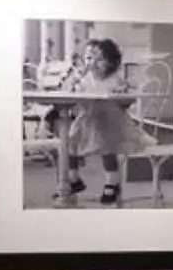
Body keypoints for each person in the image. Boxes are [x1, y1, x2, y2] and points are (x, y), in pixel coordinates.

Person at [53, 36, 134, 206]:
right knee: (70, 144)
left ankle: (112, 183)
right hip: (86, 120)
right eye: (89, 58)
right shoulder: (85, 79)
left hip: (110, 121)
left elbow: (127, 101)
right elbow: (74, 97)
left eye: (100, 59)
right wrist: (73, 85)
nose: (93, 63)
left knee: (107, 149)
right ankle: (74, 179)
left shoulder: (115, 79)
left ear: (111, 62)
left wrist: (122, 94)